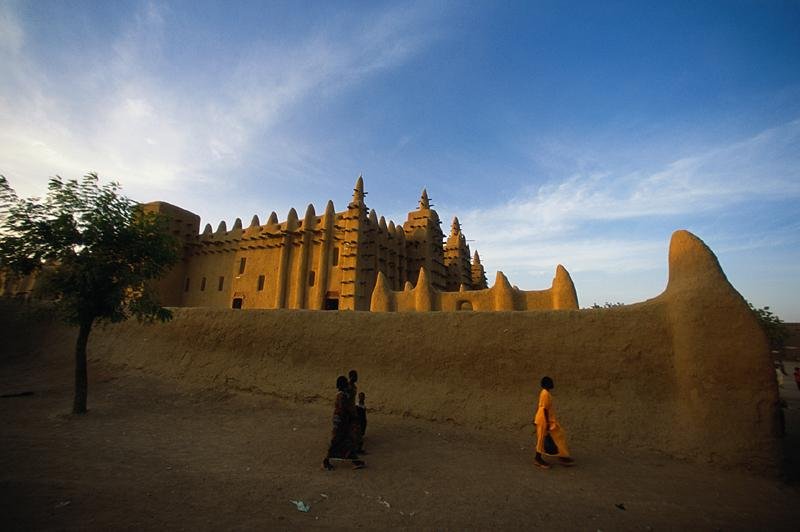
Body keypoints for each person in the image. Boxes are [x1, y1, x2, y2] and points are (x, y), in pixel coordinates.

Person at [322, 375, 364, 470]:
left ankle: (354, 460)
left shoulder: (343, 394)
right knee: (338, 440)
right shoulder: (341, 396)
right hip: (341, 420)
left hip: (342, 419)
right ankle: (326, 461)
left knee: (347, 439)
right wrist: (351, 416)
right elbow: (342, 409)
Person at [533, 376, 574, 469]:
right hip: (544, 420)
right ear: (546, 384)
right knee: (541, 439)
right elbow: (544, 409)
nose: (552, 384)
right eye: (550, 383)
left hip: (547, 419)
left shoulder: (546, 393)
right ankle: (537, 459)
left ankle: (562, 455)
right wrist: (547, 423)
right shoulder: (545, 393)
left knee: (559, 435)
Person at [348, 369, 365, 454]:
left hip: (353, 409)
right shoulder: (348, 387)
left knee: (357, 428)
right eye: (355, 376)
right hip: (350, 411)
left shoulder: (353, 386)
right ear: (351, 377)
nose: (357, 378)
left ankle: (357, 448)